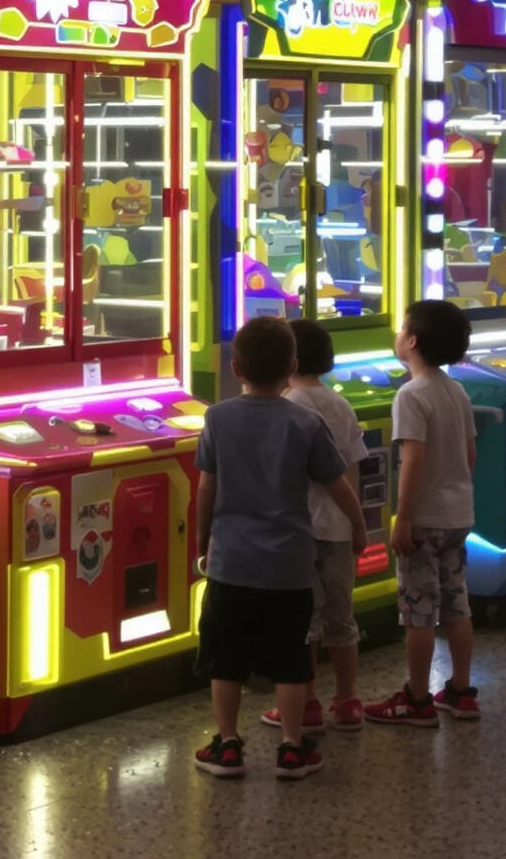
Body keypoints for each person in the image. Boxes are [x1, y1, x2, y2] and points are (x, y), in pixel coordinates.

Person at [190, 317, 365, 781]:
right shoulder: (305, 422)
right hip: (289, 566)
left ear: (235, 367)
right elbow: (338, 484)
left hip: (231, 563)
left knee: (225, 658)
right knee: (291, 658)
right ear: (291, 366)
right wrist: (359, 527)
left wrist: (202, 539)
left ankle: (227, 744)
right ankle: (292, 748)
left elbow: (207, 486)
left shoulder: (217, 418)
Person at [373, 299, 480, 727]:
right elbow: (470, 453)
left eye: (401, 328)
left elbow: (413, 461)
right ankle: (461, 690)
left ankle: (416, 697)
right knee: (456, 603)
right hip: (458, 514)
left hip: (426, 518)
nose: (397, 334)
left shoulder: (411, 395)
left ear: (412, 341)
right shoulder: (456, 390)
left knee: (417, 610)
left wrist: (405, 516)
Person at [267, 319, 371, 734]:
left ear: (287, 360)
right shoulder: (339, 404)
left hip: (298, 532)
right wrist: (358, 522)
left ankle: (306, 704)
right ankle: (347, 701)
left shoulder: (288, 404)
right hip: (338, 529)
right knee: (341, 619)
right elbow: (352, 470)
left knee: (301, 623)